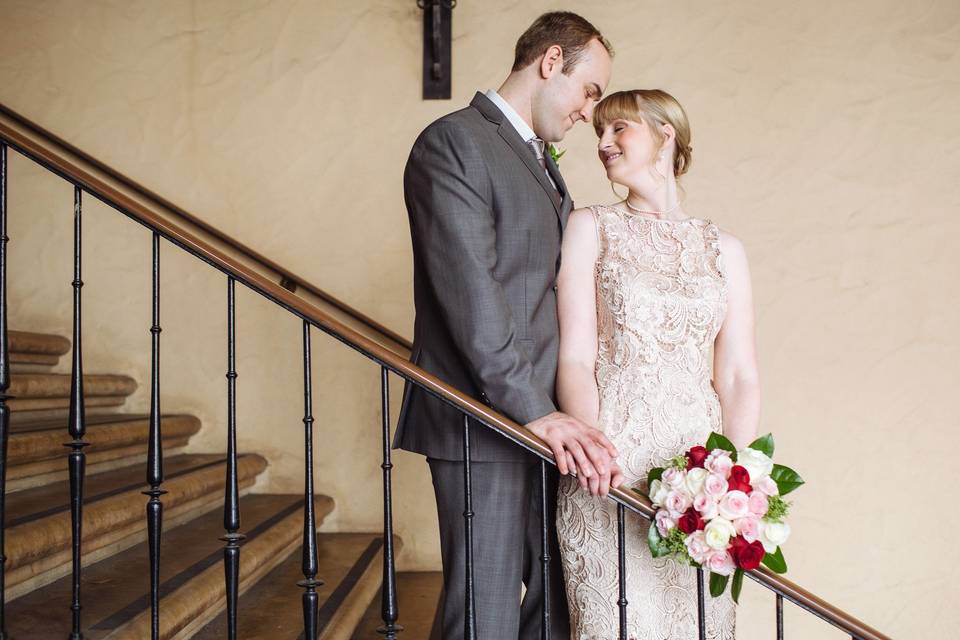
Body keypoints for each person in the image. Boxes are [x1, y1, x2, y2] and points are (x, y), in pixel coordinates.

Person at [394, 11, 623, 639]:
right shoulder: (455, 141)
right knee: (484, 614)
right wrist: (534, 409)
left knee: (556, 607)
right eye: (588, 90)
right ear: (552, 62)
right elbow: (473, 295)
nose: (588, 111)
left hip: (544, 425)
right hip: (482, 419)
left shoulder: (539, 162)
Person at [555, 89, 760, 638]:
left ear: (665, 135)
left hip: (699, 476)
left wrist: (737, 480)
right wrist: (596, 450)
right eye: (599, 131)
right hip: (612, 465)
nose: (602, 143)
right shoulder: (589, 227)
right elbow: (574, 357)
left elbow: (738, 374)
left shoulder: (725, 250)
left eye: (618, 128)